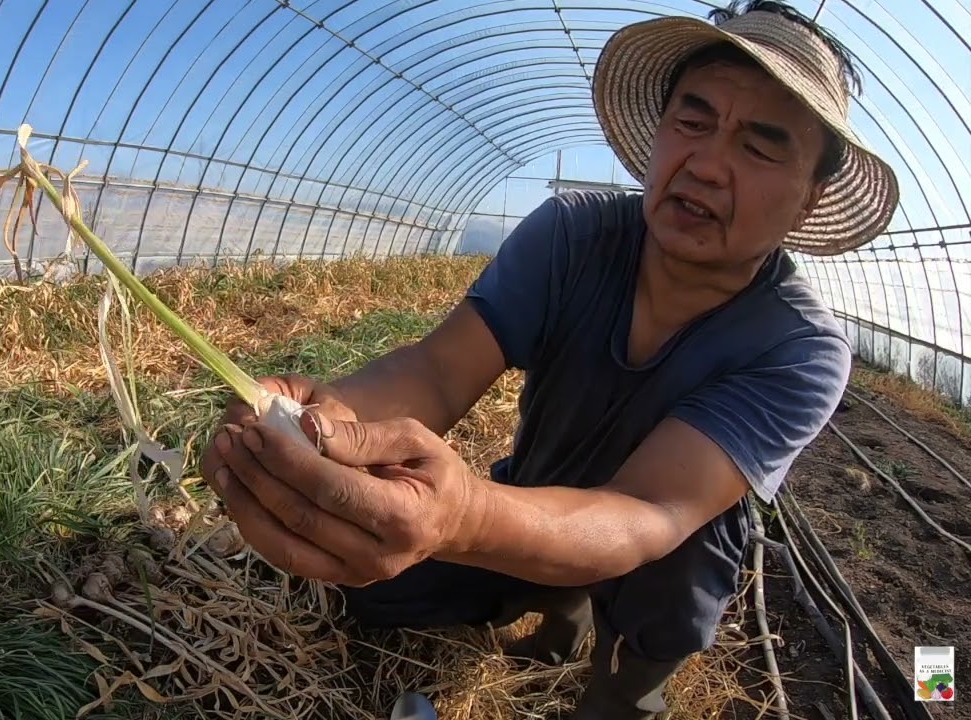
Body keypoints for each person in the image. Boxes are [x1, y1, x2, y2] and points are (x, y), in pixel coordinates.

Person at [200, 2, 900, 718]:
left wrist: (462, 516)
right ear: (660, 133)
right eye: (693, 120)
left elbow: (644, 509)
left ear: (809, 201)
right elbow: (440, 370)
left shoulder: (797, 348)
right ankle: (557, 608)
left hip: (653, 556)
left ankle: (627, 689)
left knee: (675, 568)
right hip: (531, 501)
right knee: (379, 583)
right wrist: (321, 421)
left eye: (760, 145)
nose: (708, 163)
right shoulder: (572, 236)